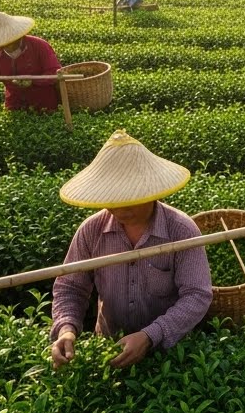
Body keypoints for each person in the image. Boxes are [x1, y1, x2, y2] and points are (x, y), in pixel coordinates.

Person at [50, 129, 213, 370]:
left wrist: (150, 335)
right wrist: (66, 328)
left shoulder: (181, 230)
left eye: (129, 198)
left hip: (171, 355)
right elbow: (70, 286)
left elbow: (197, 295)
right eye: (112, 198)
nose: (120, 208)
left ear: (150, 190)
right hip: (109, 349)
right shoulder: (91, 231)